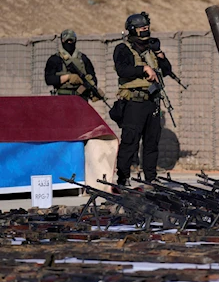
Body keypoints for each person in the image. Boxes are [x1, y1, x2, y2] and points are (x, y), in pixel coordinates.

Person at [113, 11, 172, 186]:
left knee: (151, 142)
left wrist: (159, 53)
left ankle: (151, 179)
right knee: (130, 142)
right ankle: (123, 178)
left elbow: (167, 70)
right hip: (134, 102)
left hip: (152, 102)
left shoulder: (151, 50)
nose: (145, 31)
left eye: (147, 28)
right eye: (141, 29)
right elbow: (122, 70)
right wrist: (143, 69)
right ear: (132, 30)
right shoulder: (123, 49)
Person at [44, 29, 99, 100]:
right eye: (67, 41)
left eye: (71, 41)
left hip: (81, 98)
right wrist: (68, 77)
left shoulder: (83, 58)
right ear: (62, 41)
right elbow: (49, 79)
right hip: (62, 98)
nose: (69, 43)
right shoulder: (55, 59)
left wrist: (84, 84)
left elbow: (93, 79)